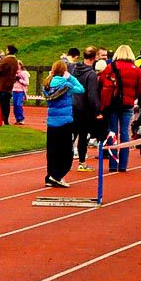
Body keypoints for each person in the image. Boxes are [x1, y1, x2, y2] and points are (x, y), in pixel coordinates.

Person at [98, 44, 141, 173]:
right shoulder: (136, 70)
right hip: (127, 104)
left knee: (112, 133)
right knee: (124, 132)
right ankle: (123, 164)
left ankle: (113, 164)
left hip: (113, 103)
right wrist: (132, 96)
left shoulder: (111, 67)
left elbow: (101, 81)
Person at [42, 60, 85, 188]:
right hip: (65, 122)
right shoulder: (66, 86)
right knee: (66, 152)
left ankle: (50, 174)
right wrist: (71, 77)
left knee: (52, 151)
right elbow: (81, 89)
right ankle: (58, 175)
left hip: (51, 122)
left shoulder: (47, 84)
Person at [71, 46, 101, 172]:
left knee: (72, 134)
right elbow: (92, 94)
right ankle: (82, 162)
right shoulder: (91, 74)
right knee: (83, 136)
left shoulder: (74, 69)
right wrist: (97, 111)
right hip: (85, 108)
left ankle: (65, 160)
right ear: (95, 57)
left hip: (73, 105)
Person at [0, 44, 19, 125]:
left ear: (8, 51)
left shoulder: (6, 60)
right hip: (10, 85)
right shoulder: (15, 61)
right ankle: (6, 119)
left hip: (1, 84)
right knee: (6, 103)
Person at [12, 60, 30, 125]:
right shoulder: (13, 73)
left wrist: (19, 79)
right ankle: (17, 119)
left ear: (20, 65)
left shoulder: (24, 73)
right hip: (14, 90)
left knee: (18, 105)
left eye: (18, 65)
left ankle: (21, 119)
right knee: (15, 106)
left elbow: (27, 83)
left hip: (21, 91)